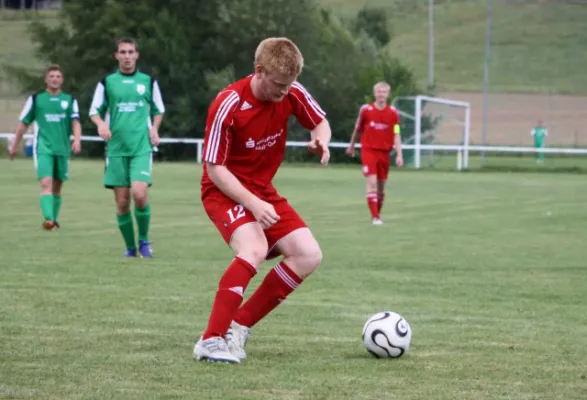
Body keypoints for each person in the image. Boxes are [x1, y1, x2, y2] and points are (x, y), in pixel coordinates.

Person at [193, 37, 331, 364]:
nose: (285, 92)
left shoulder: (292, 90)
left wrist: (320, 141)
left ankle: (238, 327)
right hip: (224, 189)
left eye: (290, 84)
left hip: (262, 190)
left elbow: (320, 122)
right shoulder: (227, 104)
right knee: (253, 248)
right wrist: (253, 204)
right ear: (259, 71)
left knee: (308, 254)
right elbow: (215, 169)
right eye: (279, 85)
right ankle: (210, 341)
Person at [89, 38, 165, 258]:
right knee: (122, 203)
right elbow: (94, 110)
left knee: (140, 195)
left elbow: (158, 109)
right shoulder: (107, 82)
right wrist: (101, 124)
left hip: (141, 147)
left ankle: (144, 242)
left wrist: (155, 129)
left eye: (131, 52)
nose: (127, 56)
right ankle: (130, 248)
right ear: (117, 56)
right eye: (123, 52)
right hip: (116, 149)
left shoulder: (148, 82)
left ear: (137, 55)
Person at [9, 65, 81, 230]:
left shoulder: (70, 100)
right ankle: (48, 219)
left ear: (61, 80)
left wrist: (77, 140)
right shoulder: (36, 99)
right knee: (46, 183)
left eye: (58, 76)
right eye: (51, 76)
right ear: (46, 79)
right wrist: (14, 144)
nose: (55, 79)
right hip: (43, 148)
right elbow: (23, 124)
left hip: (62, 149)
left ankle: (53, 220)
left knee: (57, 185)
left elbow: (75, 122)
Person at [346, 81, 403, 225]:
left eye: (384, 92)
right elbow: (358, 129)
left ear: (388, 94)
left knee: (381, 187)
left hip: (385, 152)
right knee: (371, 183)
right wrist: (352, 146)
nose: (381, 94)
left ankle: (377, 214)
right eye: (378, 91)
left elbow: (396, 133)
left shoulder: (393, 113)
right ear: (374, 93)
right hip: (369, 150)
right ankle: (375, 217)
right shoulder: (366, 110)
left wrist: (399, 154)